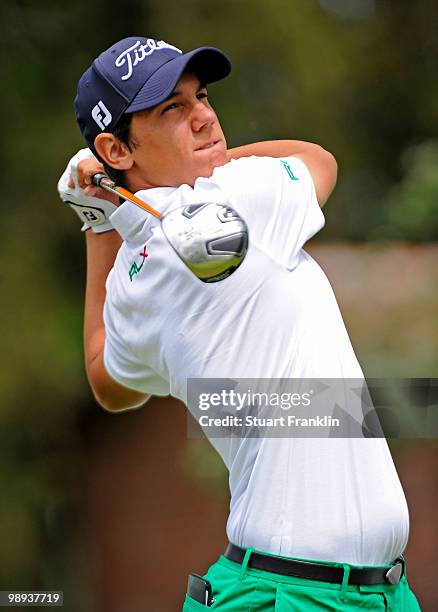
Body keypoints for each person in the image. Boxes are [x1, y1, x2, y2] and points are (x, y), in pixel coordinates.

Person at [58, 36, 421, 611]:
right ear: (115, 147)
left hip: (367, 592)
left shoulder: (133, 281)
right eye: (171, 109)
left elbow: (106, 377)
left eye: (200, 95)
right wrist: (156, 186)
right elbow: (317, 157)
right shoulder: (243, 196)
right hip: (289, 595)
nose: (204, 117)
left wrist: (100, 219)